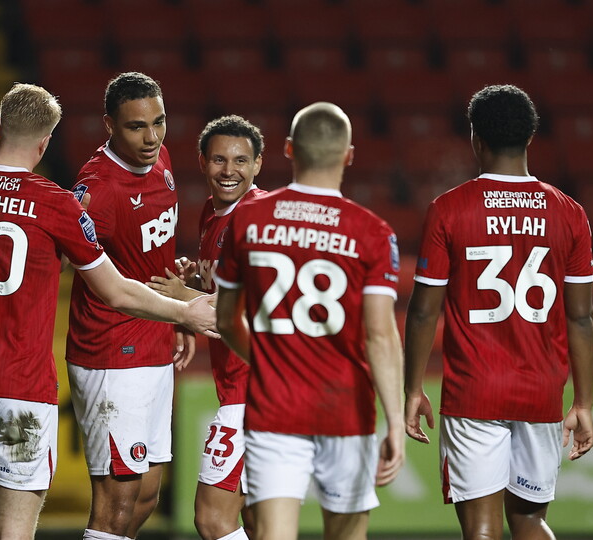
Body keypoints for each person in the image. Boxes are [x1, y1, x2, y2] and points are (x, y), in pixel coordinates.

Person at [0, 83, 217, 540]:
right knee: (15, 531)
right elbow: (115, 292)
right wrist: (185, 312)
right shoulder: (56, 203)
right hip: (20, 386)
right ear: (45, 142)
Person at [403, 84, 593, 539]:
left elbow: (424, 312)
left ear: (476, 138)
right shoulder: (569, 212)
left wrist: (412, 388)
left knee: (482, 530)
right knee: (530, 519)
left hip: (475, 391)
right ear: (530, 137)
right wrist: (584, 402)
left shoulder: (448, 210)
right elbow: (581, 317)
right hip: (540, 392)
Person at [214, 102, 405, 540]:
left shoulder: (248, 220)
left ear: (287, 149)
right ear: (349, 155)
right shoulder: (373, 232)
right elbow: (380, 335)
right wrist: (395, 421)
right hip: (346, 408)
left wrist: (268, 361)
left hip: (274, 408)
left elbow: (226, 320)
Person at [65, 71, 192, 540]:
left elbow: (153, 253)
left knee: (145, 498)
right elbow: (70, 261)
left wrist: (176, 317)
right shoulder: (97, 190)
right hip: (112, 353)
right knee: (116, 505)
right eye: (137, 127)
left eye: (159, 122)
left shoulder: (160, 158)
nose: (152, 137)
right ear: (109, 125)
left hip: (155, 339)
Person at [146, 115, 267, 540]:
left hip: (253, 392)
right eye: (219, 159)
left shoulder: (256, 220)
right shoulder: (213, 213)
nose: (229, 170)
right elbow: (225, 287)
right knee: (258, 521)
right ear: (202, 161)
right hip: (247, 387)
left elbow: (256, 309)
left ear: (258, 164)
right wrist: (196, 281)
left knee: (213, 520)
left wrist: (181, 297)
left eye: (240, 160)